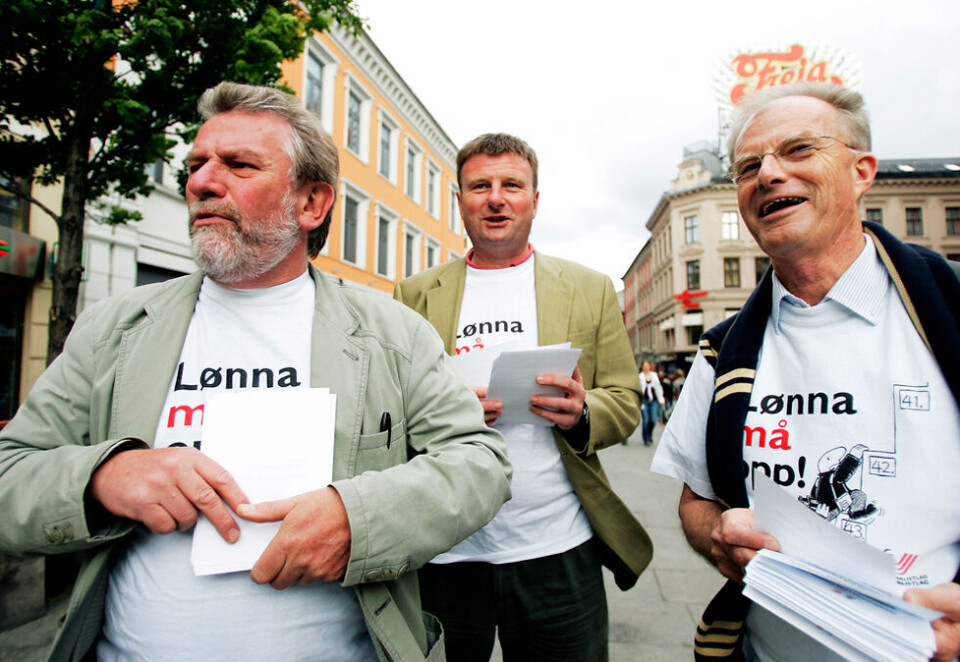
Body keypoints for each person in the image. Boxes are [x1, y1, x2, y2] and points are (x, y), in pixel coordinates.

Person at [0, 82, 512, 662]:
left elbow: (480, 463)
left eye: (239, 165)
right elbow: (10, 473)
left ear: (311, 204)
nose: (201, 182)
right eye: (196, 164)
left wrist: (358, 518)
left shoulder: (391, 333)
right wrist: (103, 478)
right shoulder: (114, 329)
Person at [650, 81, 960, 661]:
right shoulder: (722, 352)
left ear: (861, 171)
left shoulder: (947, 315)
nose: (767, 174)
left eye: (798, 150)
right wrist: (719, 537)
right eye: (748, 166)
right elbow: (698, 500)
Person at [394, 133, 652, 661]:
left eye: (511, 184)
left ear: (535, 199)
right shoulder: (414, 293)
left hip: (556, 547)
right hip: (447, 544)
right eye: (479, 185)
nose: (496, 197)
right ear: (459, 199)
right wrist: (445, 413)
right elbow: (391, 409)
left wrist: (582, 412)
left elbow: (625, 398)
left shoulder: (589, 287)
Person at [638, 361, 665, 445]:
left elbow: (658, 388)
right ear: (642, 367)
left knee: (653, 420)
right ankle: (646, 439)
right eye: (644, 366)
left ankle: (649, 435)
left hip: (653, 401)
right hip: (644, 402)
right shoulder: (639, 377)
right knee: (646, 420)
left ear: (650, 366)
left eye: (647, 365)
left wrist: (661, 400)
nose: (646, 367)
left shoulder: (654, 375)